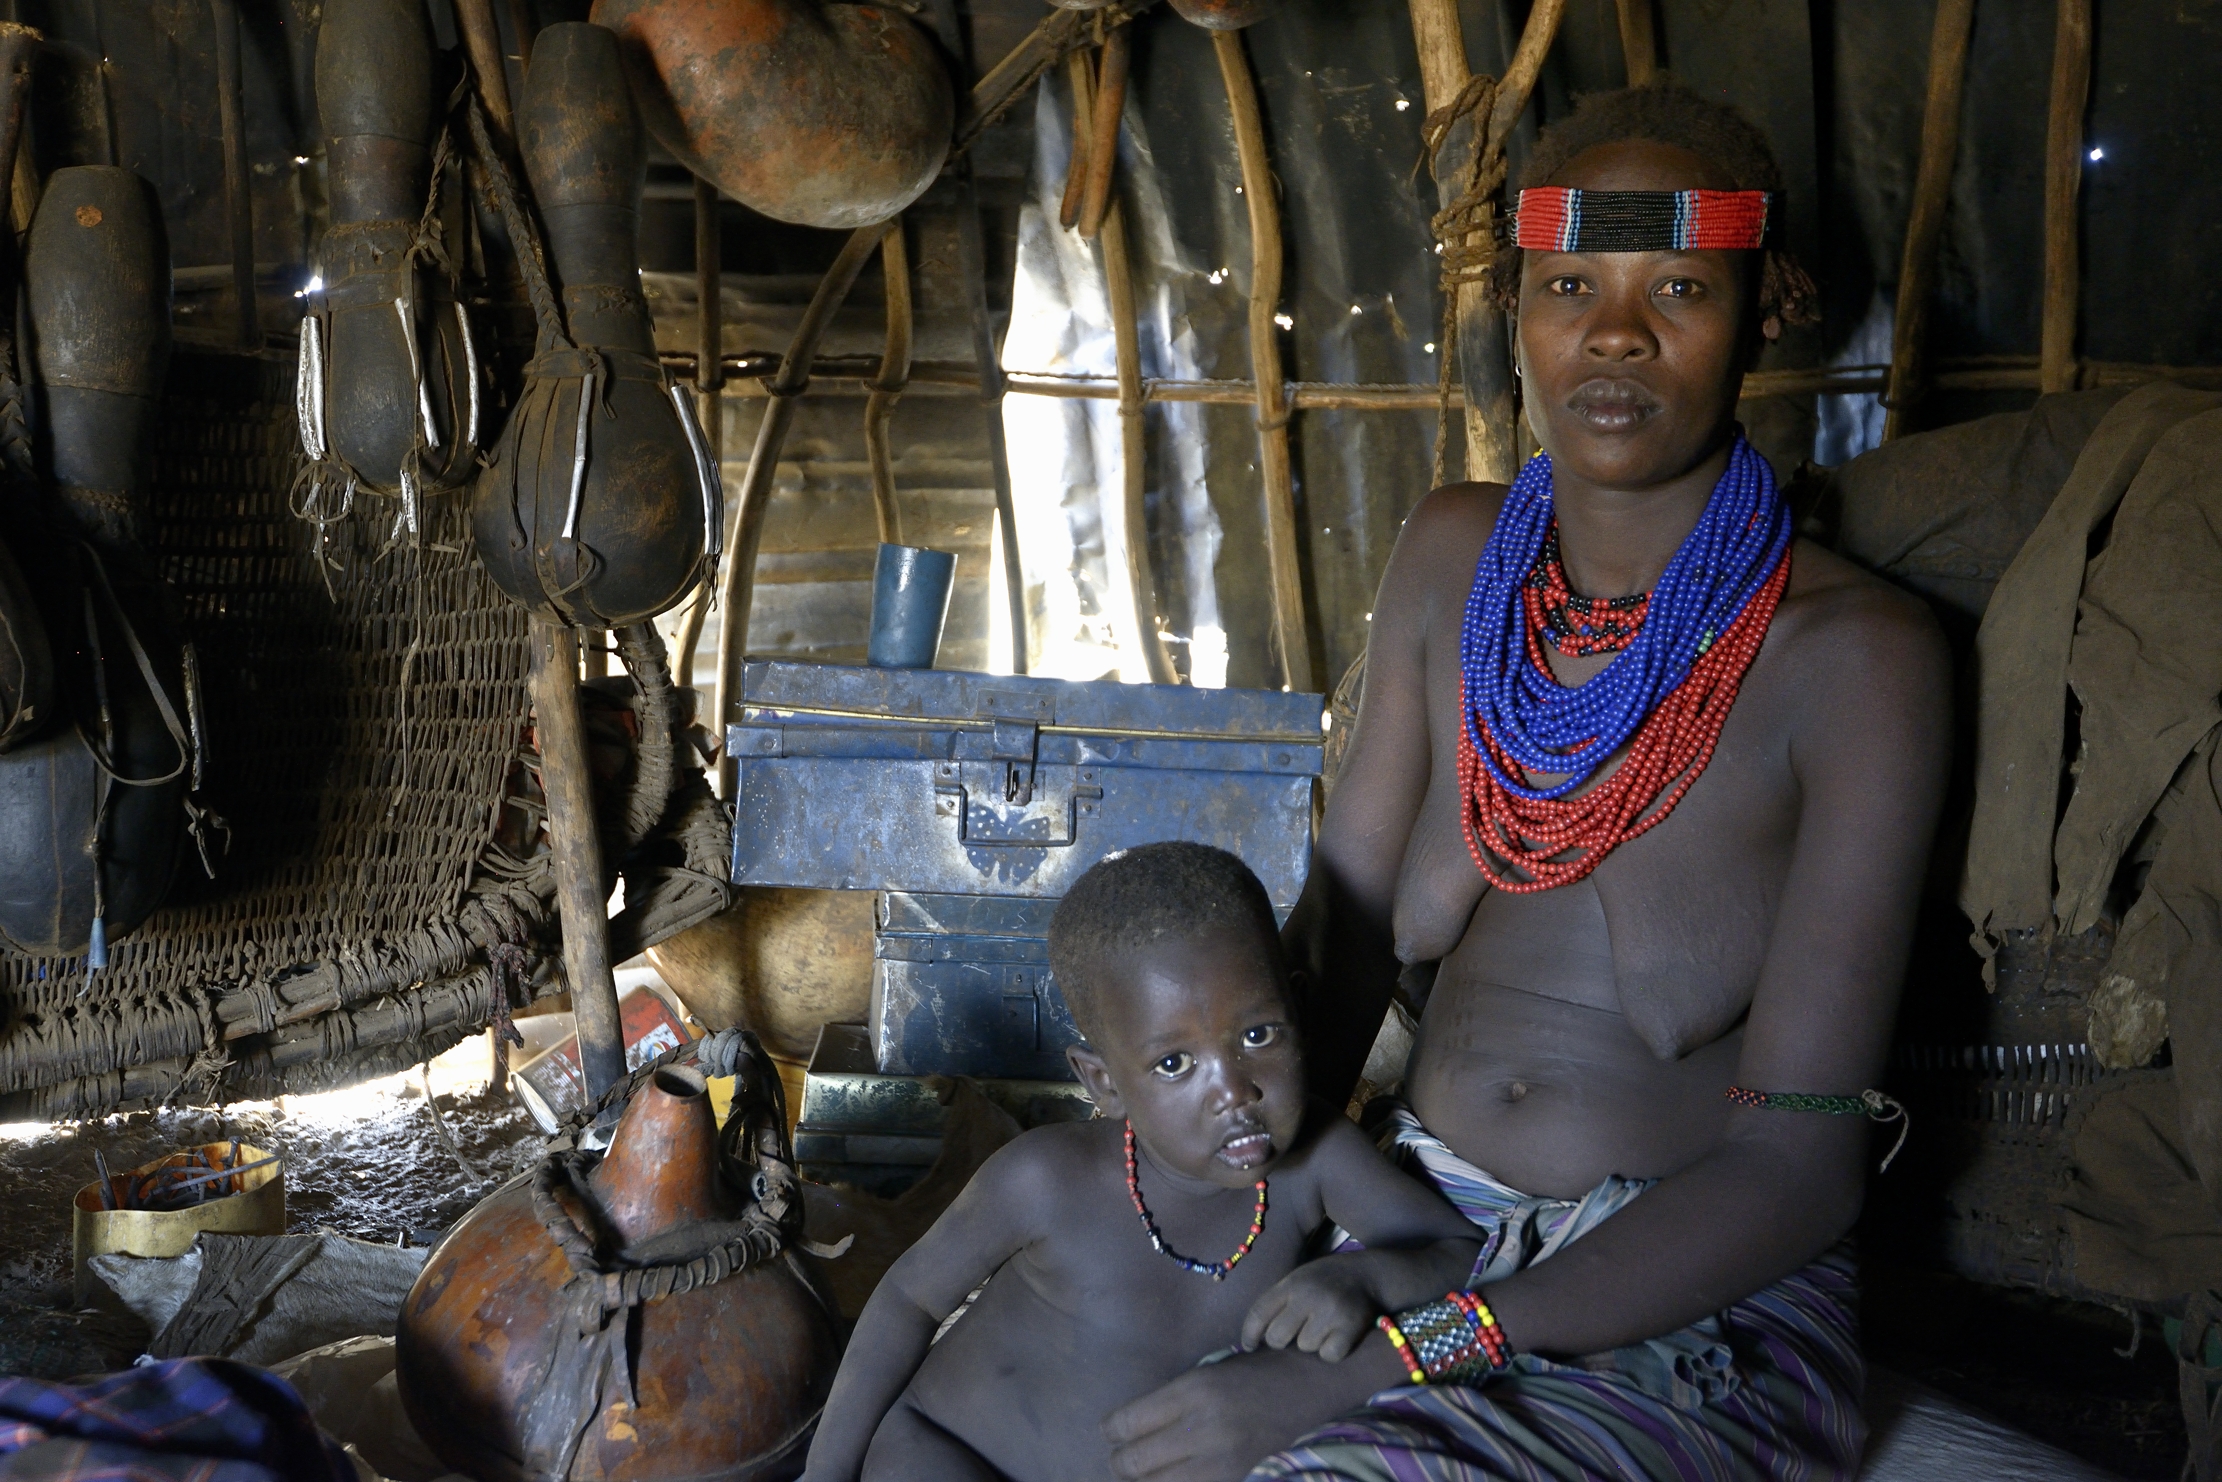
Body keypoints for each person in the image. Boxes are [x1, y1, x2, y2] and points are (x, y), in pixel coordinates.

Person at [1099, 82, 1952, 1481]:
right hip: (1406, 1219)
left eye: (1677, 286)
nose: (1614, 332)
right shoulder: (1451, 556)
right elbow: (1339, 951)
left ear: (1768, 305)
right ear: (1514, 309)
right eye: (1569, 285)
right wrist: (1201, 1210)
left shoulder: (1856, 660)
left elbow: (1798, 1172)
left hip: (1677, 1286)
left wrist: (1391, 1359)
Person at [802, 842, 1484, 1482]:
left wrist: (1368, 1277)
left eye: (1257, 1034)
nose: (1233, 1091)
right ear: (1103, 1083)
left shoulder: (1320, 1158)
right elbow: (908, 1298)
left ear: (1298, 1013)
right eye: (1174, 1063)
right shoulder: (1043, 1178)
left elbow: (1463, 1254)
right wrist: (824, 1473)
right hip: (947, 1451)